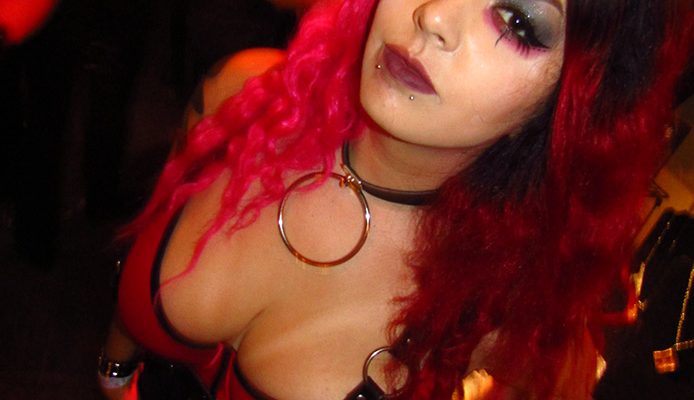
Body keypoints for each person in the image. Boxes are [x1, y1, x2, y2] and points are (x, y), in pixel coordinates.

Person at [100, 0, 694, 398]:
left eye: (517, 21)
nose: (434, 14)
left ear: (565, 109)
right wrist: (113, 373)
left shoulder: (502, 306)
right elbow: (151, 237)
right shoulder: (247, 97)